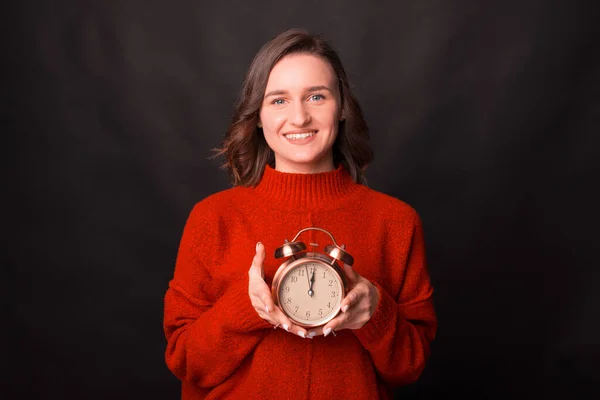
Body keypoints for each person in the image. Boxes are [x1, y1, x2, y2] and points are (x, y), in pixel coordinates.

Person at [163, 28, 437, 400]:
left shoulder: (396, 222)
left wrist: (376, 313)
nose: (299, 117)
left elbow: (411, 366)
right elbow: (186, 361)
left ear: (342, 107)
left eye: (316, 96)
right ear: (257, 116)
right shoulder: (213, 218)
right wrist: (248, 307)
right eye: (278, 101)